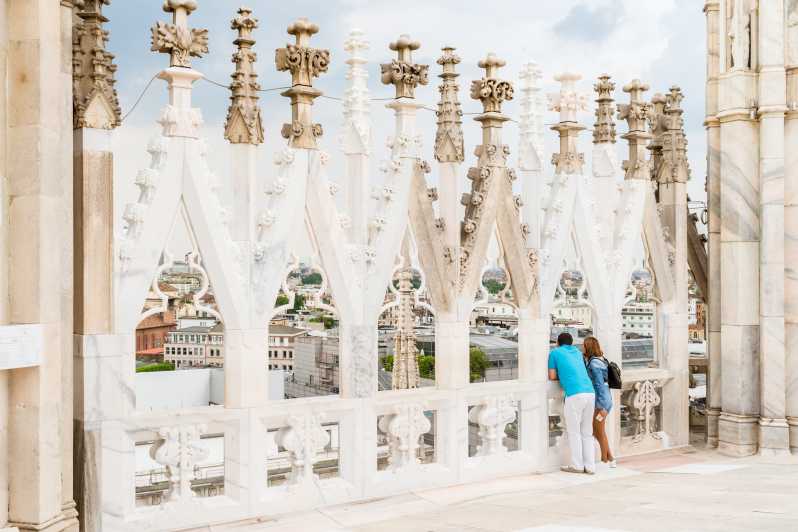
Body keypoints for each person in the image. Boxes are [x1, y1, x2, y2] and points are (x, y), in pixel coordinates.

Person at [548, 332, 596, 474]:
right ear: (571, 343)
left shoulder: (555, 353)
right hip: (590, 392)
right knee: (587, 432)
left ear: (557, 343)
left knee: (574, 432)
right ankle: (590, 466)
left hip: (575, 394)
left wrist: (562, 374)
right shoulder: (578, 353)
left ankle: (577, 466)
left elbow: (552, 376)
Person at [583, 336, 616, 468]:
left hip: (601, 402)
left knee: (598, 430)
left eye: (584, 345)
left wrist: (603, 407)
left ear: (588, 347)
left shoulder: (594, 363)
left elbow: (599, 385)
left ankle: (607, 459)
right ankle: (609, 458)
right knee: (598, 429)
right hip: (604, 400)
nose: (582, 347)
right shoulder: (601, 360)